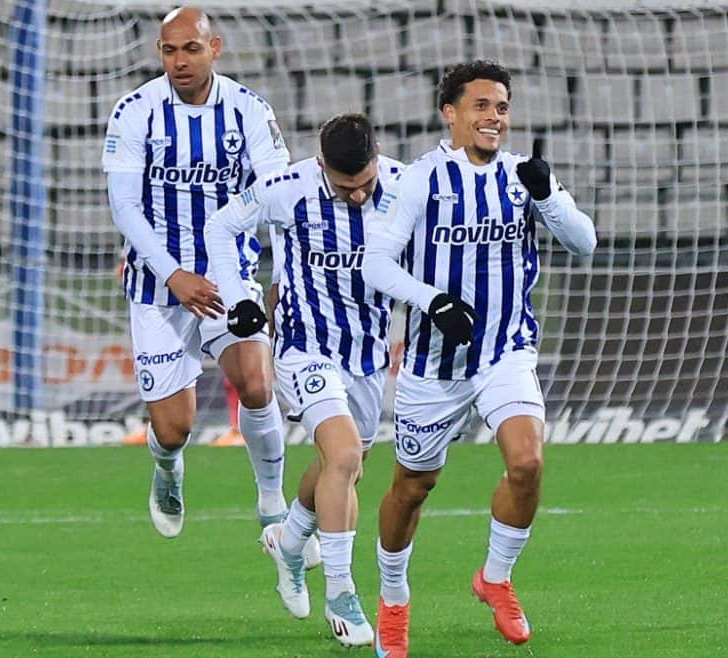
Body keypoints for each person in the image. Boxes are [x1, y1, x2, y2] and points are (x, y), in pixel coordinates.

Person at [361, 60, 597, 656]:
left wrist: (549, 195)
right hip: (434, 364)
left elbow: (585, 243)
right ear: (451, 113)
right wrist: (432, 301)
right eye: (481, 106)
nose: (494, 117)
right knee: (412, 487)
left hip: (504, 351)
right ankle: (393, 599)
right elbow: (376, 263)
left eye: (502, 107)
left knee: (528, 463)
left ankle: (496, 578)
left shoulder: (522, 176)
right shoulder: (421, 179)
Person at [205, 113, 403, 648]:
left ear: (377, 158)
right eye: (344, 187)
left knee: (346, 466)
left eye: (365, 183)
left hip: (368, 355)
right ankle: (341, 592)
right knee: (344, 456)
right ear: (321, 165)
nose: (357, 195)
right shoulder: (287, 188)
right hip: (305, 348)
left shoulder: (405, 186)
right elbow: (220, 227)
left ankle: (289, 542)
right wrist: (240, 299)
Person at [101, 6, 291, 538]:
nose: (180, 61)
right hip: (158, 285)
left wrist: (282, 276)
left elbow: (279, 196)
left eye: (191, 48)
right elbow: (124, 208)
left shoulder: (249, 110)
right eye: (169, 50)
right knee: (173, 428)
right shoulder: (135, 111)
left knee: (256, 383)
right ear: (159, 53)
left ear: (215, 47)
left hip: (229, 274)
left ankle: (272, 499)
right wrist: (173, 275)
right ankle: (167, 469)